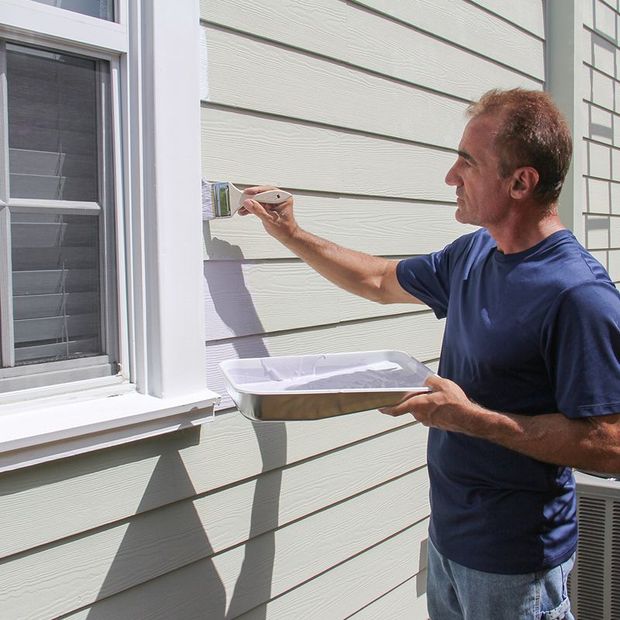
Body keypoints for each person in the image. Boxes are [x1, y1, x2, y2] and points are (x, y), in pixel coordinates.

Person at [239, 88, 620, 620]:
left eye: (469, 161)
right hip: (449, 539)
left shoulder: (577, 295)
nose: (450, 176)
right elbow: (377, 279)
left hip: (516, 563)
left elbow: (609, 445)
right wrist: (291, 232)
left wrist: (477, 422)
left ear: (520, 182)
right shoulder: (476, 252)